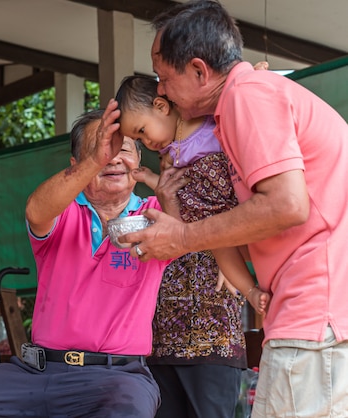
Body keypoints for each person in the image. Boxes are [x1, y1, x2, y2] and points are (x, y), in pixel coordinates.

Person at [116, 1, 348, 417]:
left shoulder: (248, 96)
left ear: (200, 71)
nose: (162, 91)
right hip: (310, 312)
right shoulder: (243, 103)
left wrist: (183, 237)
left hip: (317, 313)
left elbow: (286, 204)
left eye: (165, 78)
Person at [0, 108, 173, 417]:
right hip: (35, 373)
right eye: (100, 149)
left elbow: (194, 226)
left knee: (129, 406)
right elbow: (35, 210)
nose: (111, 158)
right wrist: (94, 160)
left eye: (122, 149)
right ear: (78, 165)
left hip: (117, 377)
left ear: (138, 159)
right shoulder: (64, 209)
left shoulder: (155, 214)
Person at [113, 73, 268, 417]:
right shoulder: (148, 198)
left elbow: (220, 223)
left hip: (211, 334)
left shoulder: (206, 135)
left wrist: (256, 76)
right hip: (160, 341)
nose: (117, 159)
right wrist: (161, 191)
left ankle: (251, 289)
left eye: (135, 138)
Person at [116, 73, 270, 316]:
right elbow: (173, 186)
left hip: (238, 197)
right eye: (139, 138)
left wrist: (254, 73)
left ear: (161, 106)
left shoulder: (200, 117)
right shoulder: (168, 152)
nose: (146, 142)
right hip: (211, 213)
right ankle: (251, 291)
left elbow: (232, 92)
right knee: (219, 245)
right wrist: (148, 178)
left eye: (143, 130)